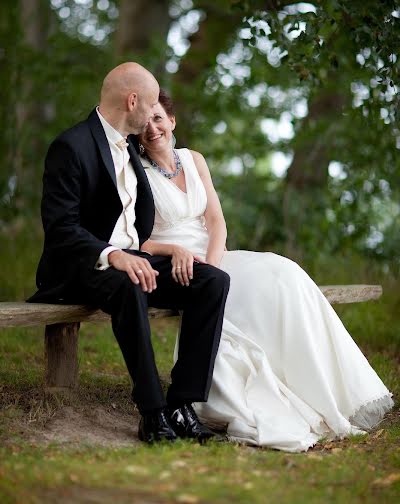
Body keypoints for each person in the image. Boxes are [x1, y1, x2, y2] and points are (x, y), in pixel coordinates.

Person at [138, 89, 394, 452]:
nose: (152, 128)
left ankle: (323, 385)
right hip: (176, 263)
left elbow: (216, 221)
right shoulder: (135, 171)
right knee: (239, 297)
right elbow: (133, 239)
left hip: (215, 255)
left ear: (172, 121)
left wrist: (211, 264)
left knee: (284, 273)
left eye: (158, 118)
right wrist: (177, 253)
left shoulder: (193, 159)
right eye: (145, 122)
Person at [28, 63, 230, 444]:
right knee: (128, 284)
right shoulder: (71, 146)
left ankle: (182, 404)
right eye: (150, 103)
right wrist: (113, 254)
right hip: (86, 266)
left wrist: (169, 251)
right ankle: (152, 412)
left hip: (136, 258)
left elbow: (139, 222)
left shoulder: (132, 148)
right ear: (132, 100)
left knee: (212, 281)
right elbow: (60, 228)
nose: (154, 115)